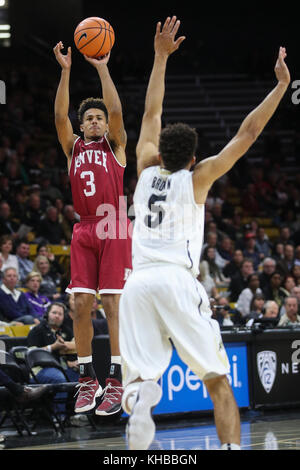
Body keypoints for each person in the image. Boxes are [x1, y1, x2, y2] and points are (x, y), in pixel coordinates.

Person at [119, 16, 290, 451]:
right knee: (217, 379)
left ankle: (139, 402)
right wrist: (280, 87)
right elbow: (247, 133)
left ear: (159, 153)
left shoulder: (142, 169)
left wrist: (159, 57)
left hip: (136, 283)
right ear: (193, 159)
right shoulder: (197, 180)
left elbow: (152, 111)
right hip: (176, 279)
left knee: (141, 378)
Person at [53, 38, 132, 416]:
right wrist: (66, 72)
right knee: (80, 303)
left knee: (113, 305)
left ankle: (116, 380)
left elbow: (116, 110)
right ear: (82, 126)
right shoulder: (74, 149)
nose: (96, 120)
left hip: (114, 225)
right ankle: (88, 379)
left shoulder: (116, 146)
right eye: (89, 118)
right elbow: (58, 117)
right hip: (85, 228)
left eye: (99, 117)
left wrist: (102, 68)